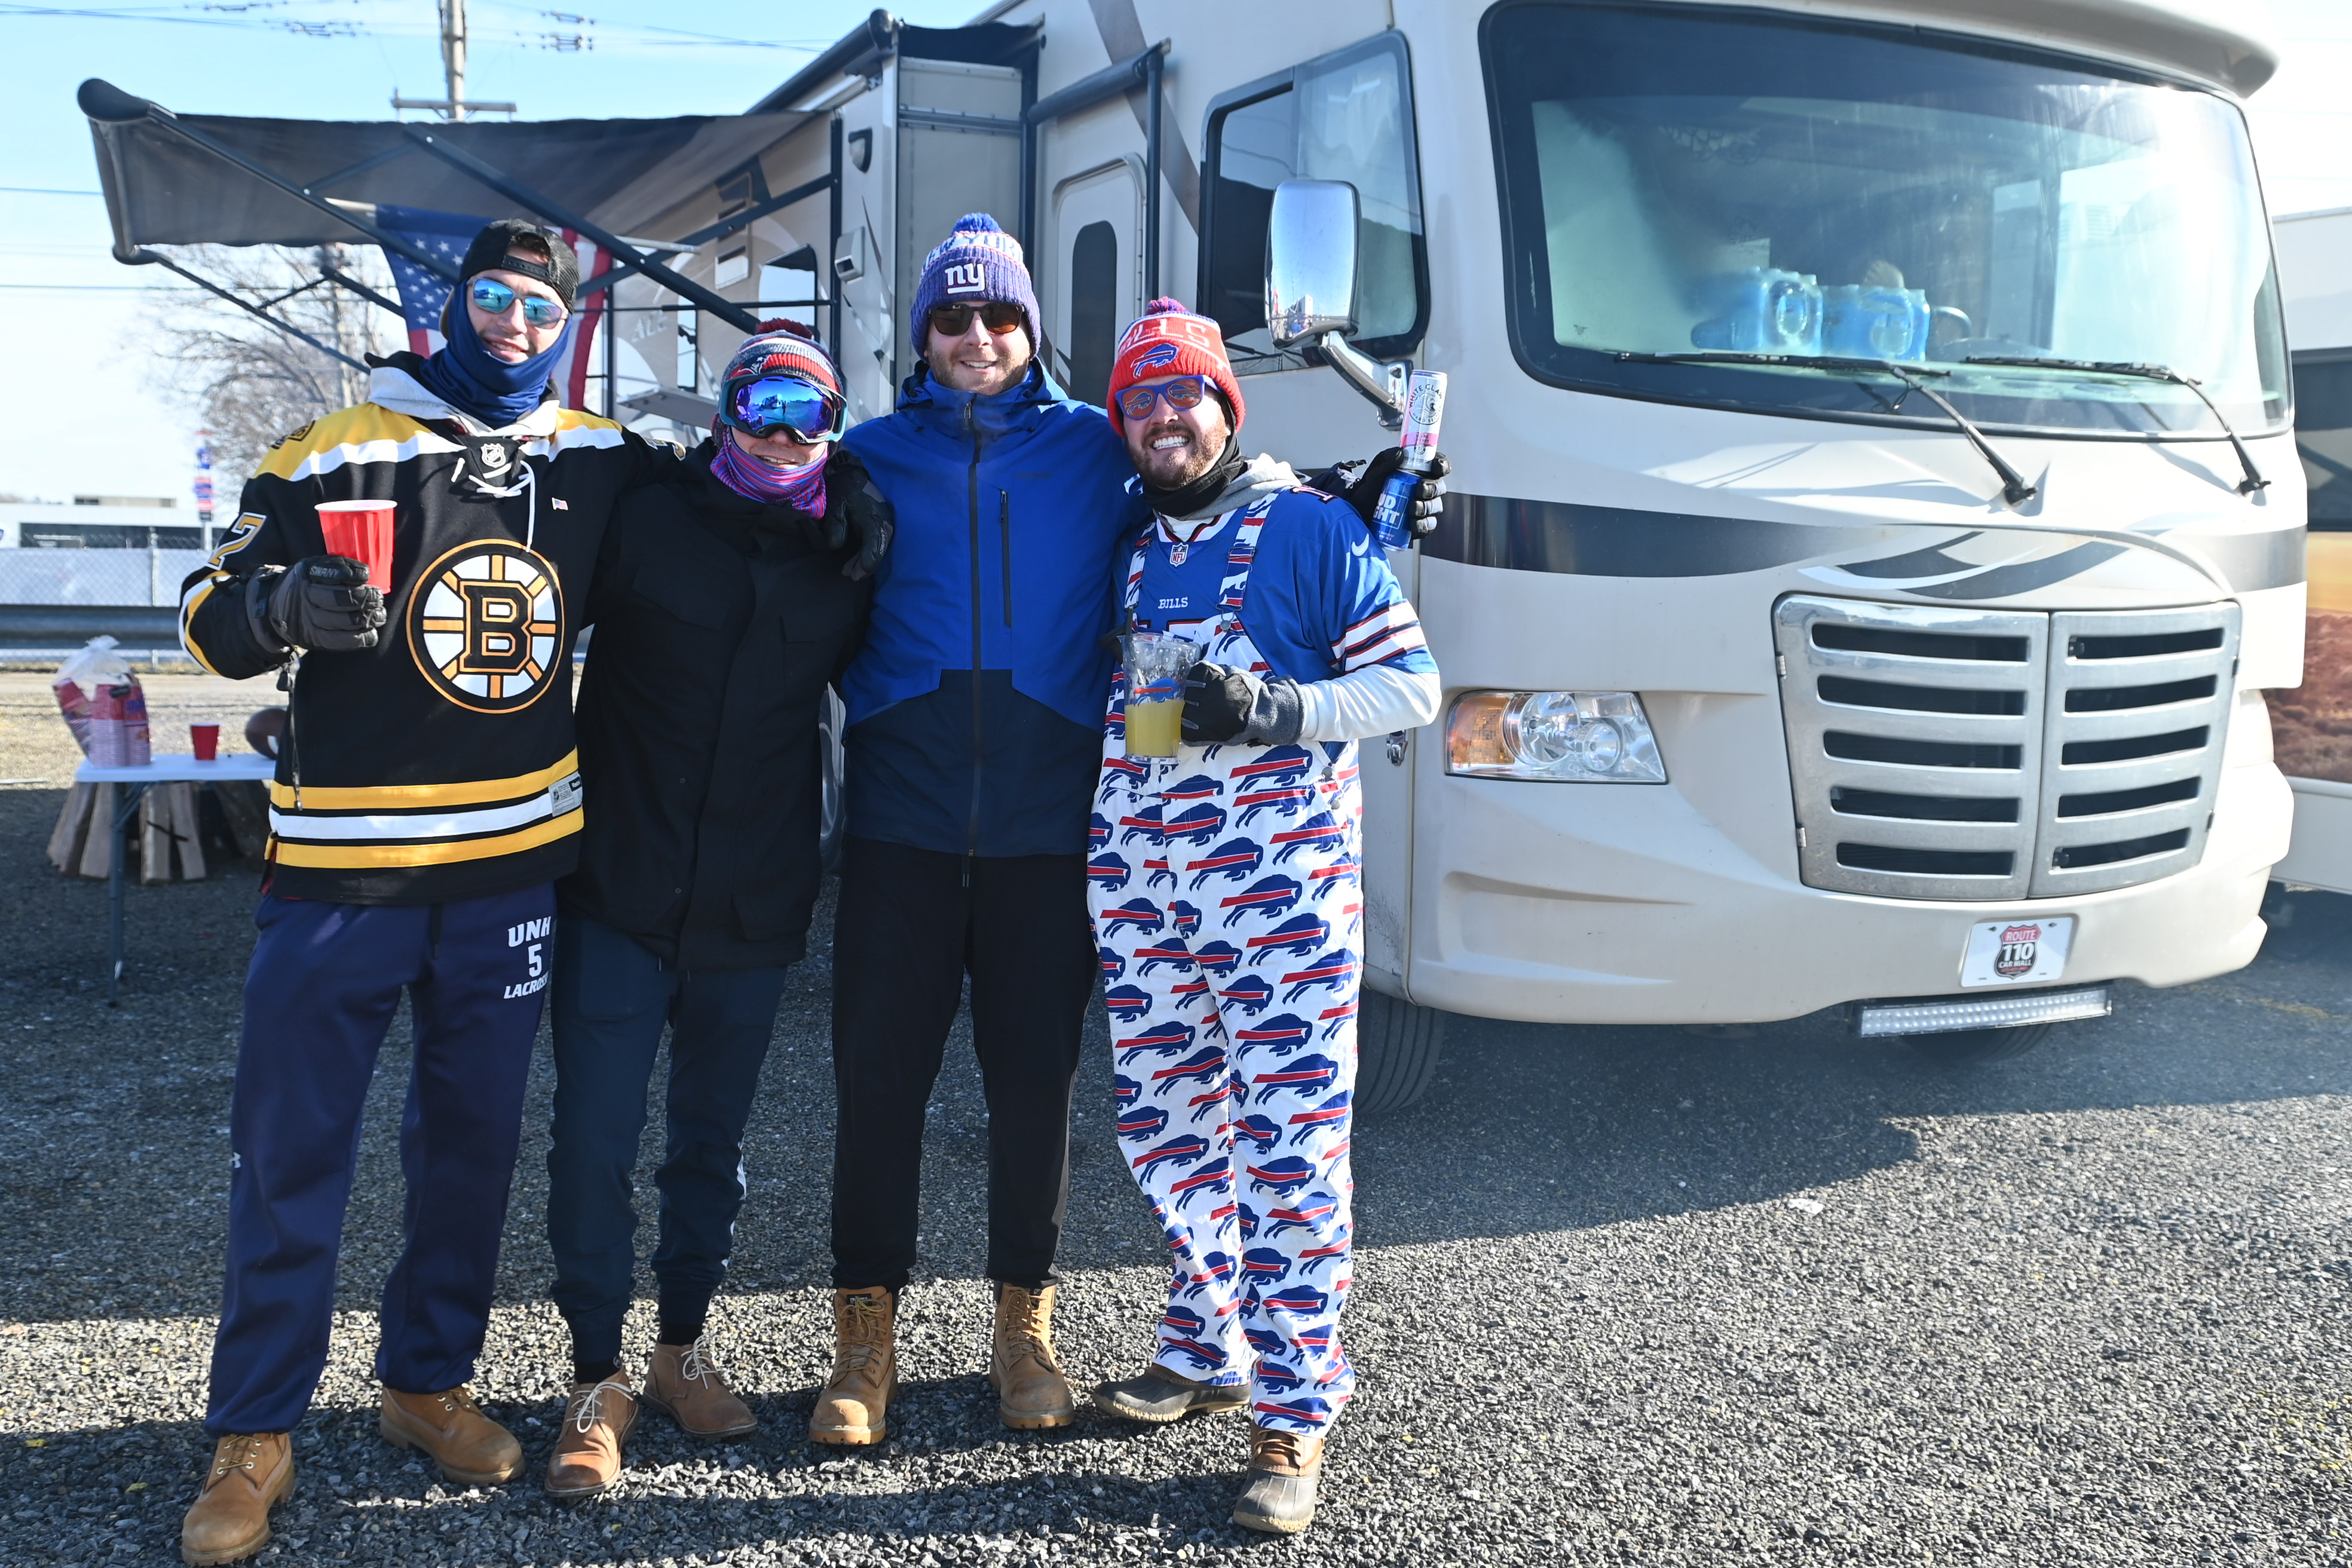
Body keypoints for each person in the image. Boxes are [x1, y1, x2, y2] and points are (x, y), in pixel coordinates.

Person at [813, 216, 1444, 1449]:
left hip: (1129, 857)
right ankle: (886, 1342)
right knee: (1043, 1110)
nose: (979, 337)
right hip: (975, 838)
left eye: (1001, 317)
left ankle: (1088, 1349)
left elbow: (1366, 638)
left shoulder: (1129, 468)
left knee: (1100, 1106)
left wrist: (1350, 535)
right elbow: (769, 520)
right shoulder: (890, 465)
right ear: (926, 335)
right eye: (955, 317)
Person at [173, 220, 675, 1567]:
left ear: (567, 321)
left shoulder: (601, 459)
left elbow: (734, 524)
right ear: (451, 304)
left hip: (510, 873)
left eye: (539, 304)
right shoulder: (335, 445)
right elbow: (206, 609)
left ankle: (421, 1384)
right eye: (493, 298)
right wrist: (282, 608)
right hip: (341, 871)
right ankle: (254, 1431)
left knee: (471, 1152)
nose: (515, 321)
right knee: (292, 1155)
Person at [1083, 300, 1441, 1537]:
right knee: (1170, 1126)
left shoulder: (1305, 528)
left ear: (1227, 404)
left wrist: (1279, 711)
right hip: (1148, 883)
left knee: (1289, 1154)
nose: (1163, 416)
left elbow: (1414, 684)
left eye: (1184, 393)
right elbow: (1148, 719)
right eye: (1140, 399)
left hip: (1279, 894)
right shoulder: (1139, 549)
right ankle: (1205, 1342)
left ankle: (1294, 1409)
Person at [537, 324, 885, 1496]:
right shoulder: (645, 519)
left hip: (754, 892)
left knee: (711, 1150)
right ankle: (597, 1380)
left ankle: (681, 1352)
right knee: (592, 1140)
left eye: (810, 411)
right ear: (726, 413)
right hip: (616, 887)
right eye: (766, 403)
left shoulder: (845, 549)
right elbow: (529, 619)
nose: (785, 432)